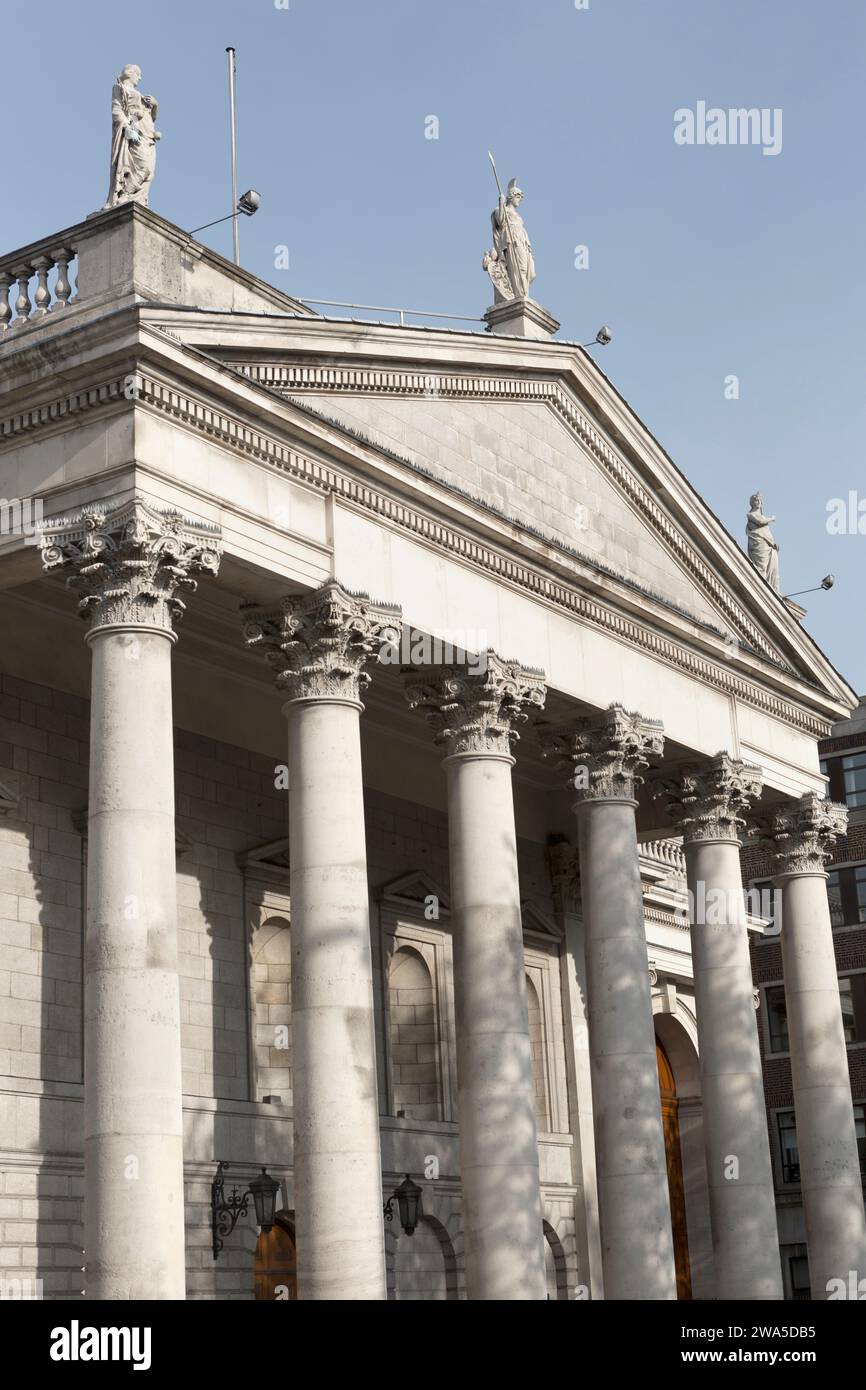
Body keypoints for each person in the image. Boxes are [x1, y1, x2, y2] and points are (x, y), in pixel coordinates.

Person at [104, 65, 161, 209]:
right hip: (134, 133)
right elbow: (116, 110)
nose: (140, 77)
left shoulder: (140, 95)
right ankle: (126, 195)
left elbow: (151, 117)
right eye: (138, 74)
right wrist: (127, 126)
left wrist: (155, 105)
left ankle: (138, 198)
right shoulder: (119, 88)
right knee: (142, 167)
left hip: (149, 136)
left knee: (149, 171)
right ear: (130, 73)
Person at [746, 492, 781, 591]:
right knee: (761, 567)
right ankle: (760, 589)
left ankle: (770, 590)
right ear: (752, 503)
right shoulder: (751, 515)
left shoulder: (762, 517)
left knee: (773, 570)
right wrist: (771, 518)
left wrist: (773, 544)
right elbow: (760, 522)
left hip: (768, 545)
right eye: (756, 500)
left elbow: (765, 533)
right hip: (759, 544)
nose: (758, 502)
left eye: (759, 501)